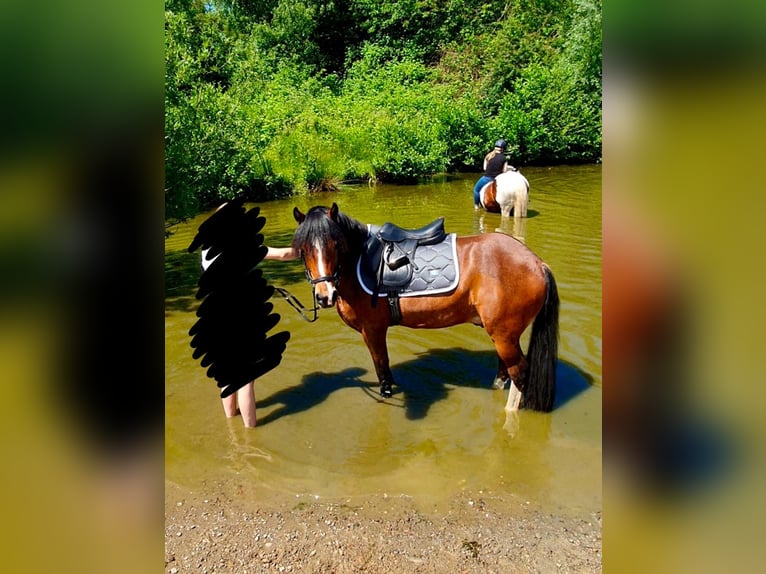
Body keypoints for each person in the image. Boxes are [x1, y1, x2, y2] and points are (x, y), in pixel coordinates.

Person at [200, 243, 298, 428]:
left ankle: (231, 424)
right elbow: (284, 254)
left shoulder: (208, 248)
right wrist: (306, 250)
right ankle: (250, 434)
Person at [473, 139, 510, 209]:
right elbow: (504, 171)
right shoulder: (504, 158)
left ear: (495, 147)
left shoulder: (489, 156)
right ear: (502, 149)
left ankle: (476, 206)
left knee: (476, 190)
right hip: (497, 179)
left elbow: (484, 168)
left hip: (487, 178)